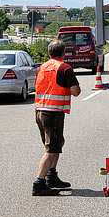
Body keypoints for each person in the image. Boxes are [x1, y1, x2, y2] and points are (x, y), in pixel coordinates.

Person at [33, 39, 81, 196]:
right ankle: (39, 183)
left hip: (40, 110)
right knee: (51, 148)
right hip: (53, 112)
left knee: (57, 143)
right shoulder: (64, 68)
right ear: (63, 53)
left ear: (49, 53)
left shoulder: (42, 67)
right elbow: (75, 91)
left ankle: (51, 177)